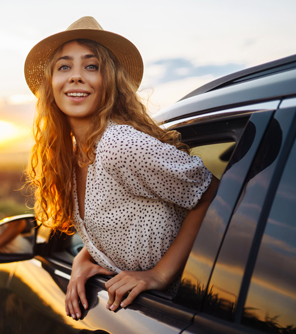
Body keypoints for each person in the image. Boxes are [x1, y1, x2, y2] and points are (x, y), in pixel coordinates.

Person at [24, 16, 219, 321]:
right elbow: (119, 223)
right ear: (51, 84)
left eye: (91, 66)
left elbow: (210, 191)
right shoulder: (72, 157)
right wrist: (83, 258)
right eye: (64, 66)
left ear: (110, 81)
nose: (76, 76)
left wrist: (158, 275)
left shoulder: (120, 145)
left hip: (179, 314)